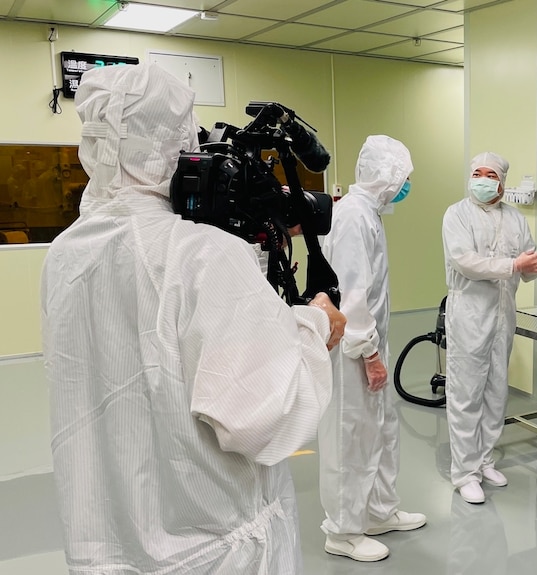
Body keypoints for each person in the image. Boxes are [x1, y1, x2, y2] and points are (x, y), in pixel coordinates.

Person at [41, 63, 345, 574]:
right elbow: (262, 422)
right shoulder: (204, 255)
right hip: (214, 551)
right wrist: (314, 328)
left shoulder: (66, 254)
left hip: (111, 546)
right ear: (172, 142)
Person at [318, 135, 426, 562]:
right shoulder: (352, 218)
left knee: (380, 430)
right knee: (350, 437)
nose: (405, 186)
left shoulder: (370, 213)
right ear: (387, 175)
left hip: (368, 343)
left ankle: (379, 512)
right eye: (404, 178)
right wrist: (370, 354)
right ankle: (343, 531)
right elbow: (352, 295)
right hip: (352, 351)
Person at [442, 151, 537, 504]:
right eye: (477, 173)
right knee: (466, 393)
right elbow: (465, 262)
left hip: (502, 314)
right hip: (469, 313)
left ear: (502, 181)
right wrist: (516, 264)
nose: (482, 180)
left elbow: (525, 266)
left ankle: (484, 461)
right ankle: (464, 472)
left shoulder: (514, 218)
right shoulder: (457, 214)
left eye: (490, 174)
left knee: (497, 390)